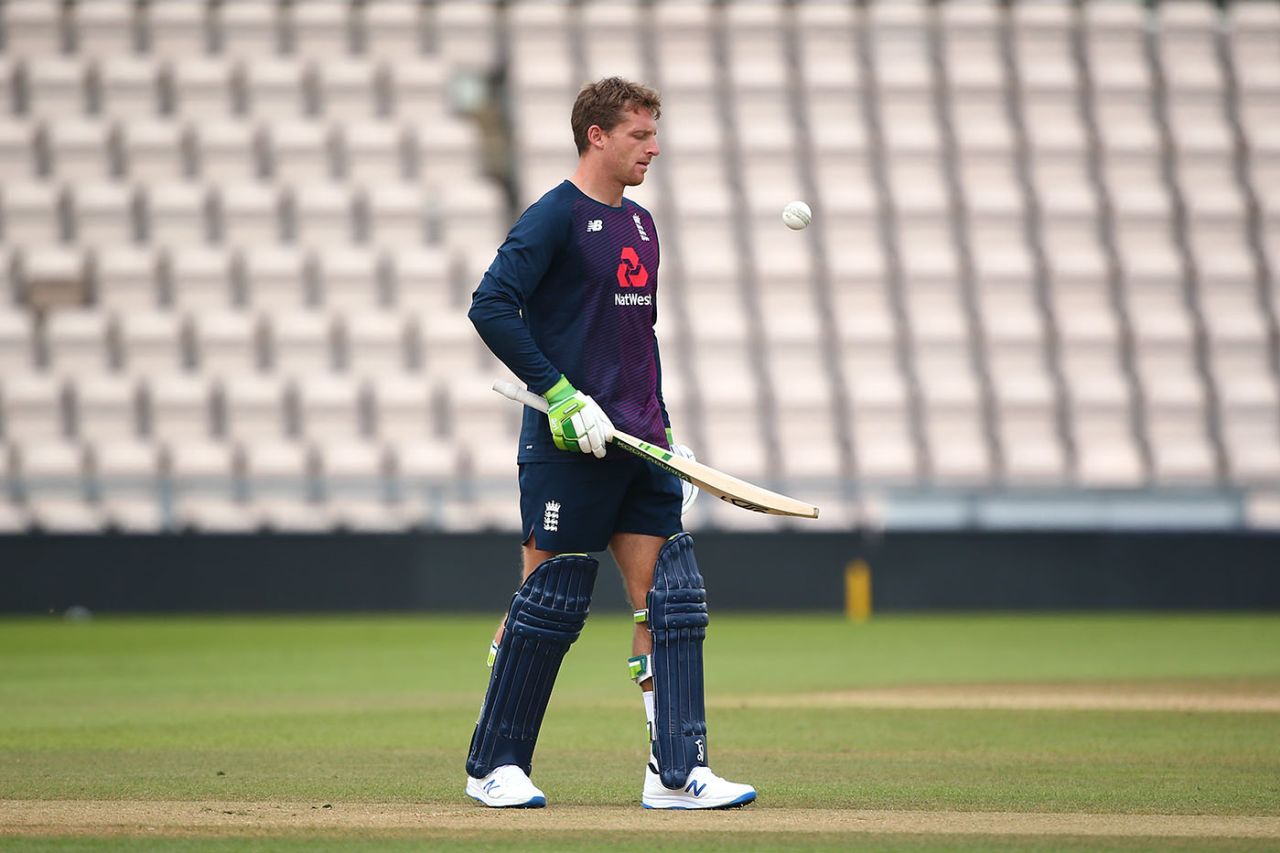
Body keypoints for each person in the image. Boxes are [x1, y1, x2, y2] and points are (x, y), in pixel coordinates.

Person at [464, 77, 756, 810]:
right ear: (597, 135)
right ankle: (493, 764)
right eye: (639, 134)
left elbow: (635, 340)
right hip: (568, 447)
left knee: (673, 599)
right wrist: (560, 394)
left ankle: (676, 772)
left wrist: (665, 433)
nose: (653, 147)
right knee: (552, 602)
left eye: (655, 133)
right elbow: (491, 305)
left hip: (638, 443)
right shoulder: (553, 217)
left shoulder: (644, 225)